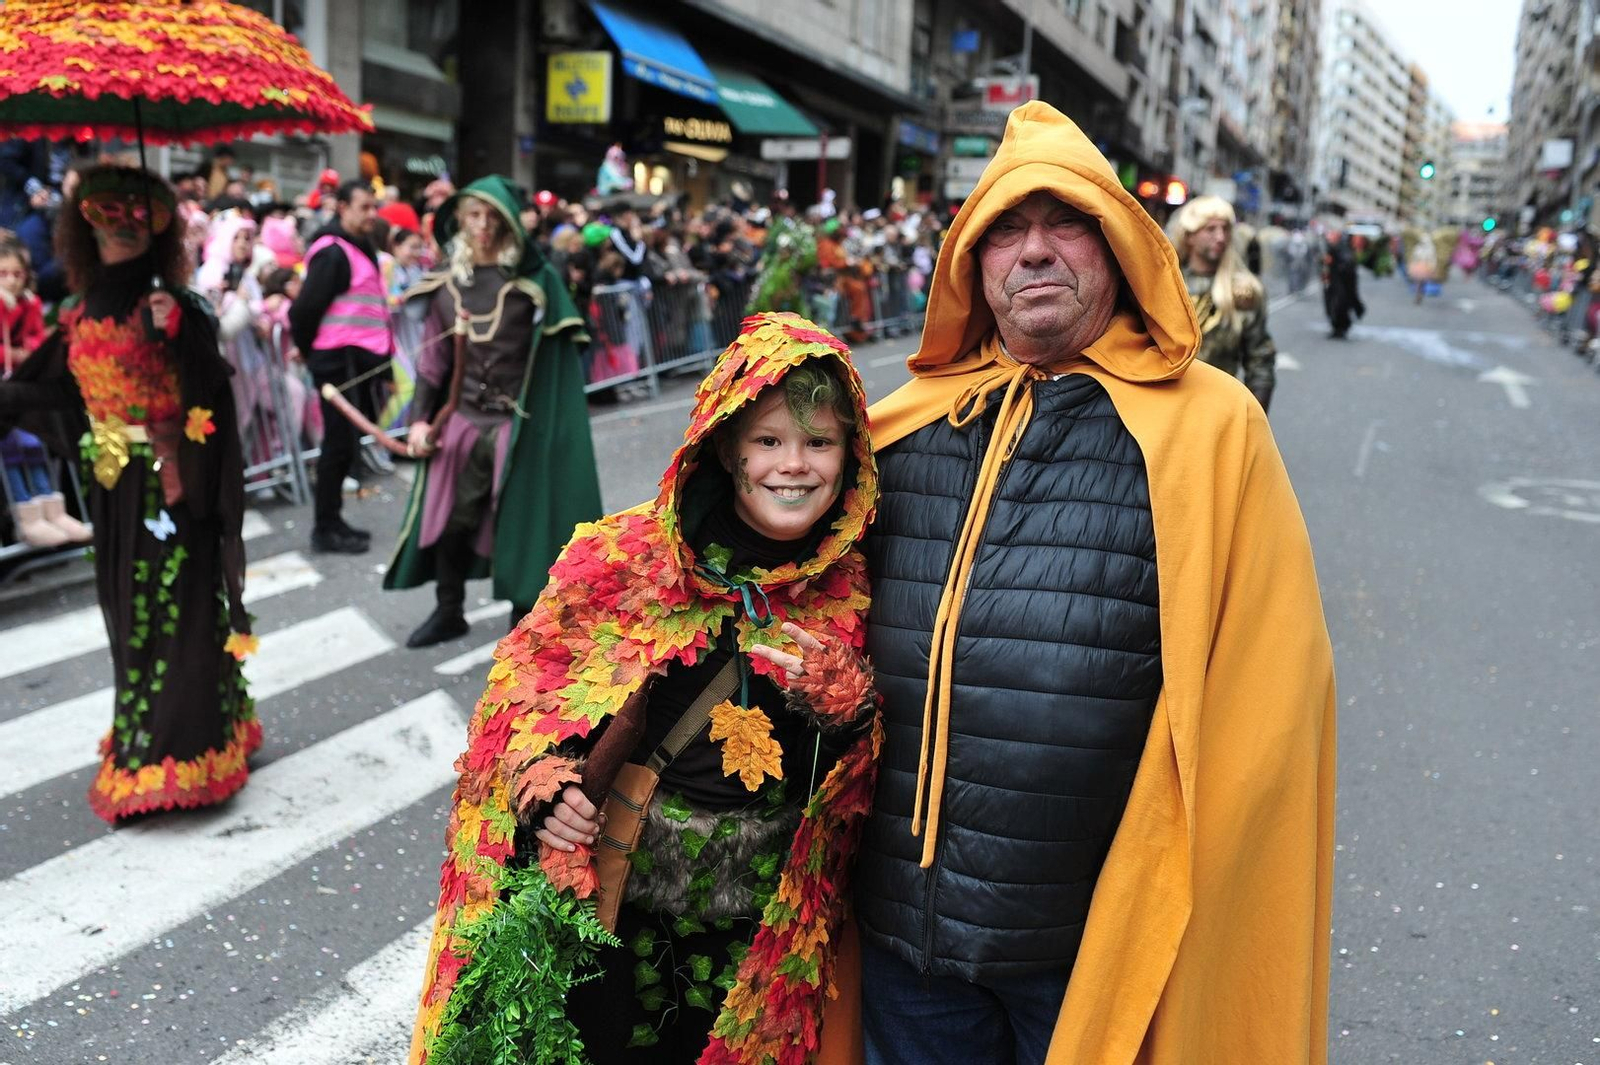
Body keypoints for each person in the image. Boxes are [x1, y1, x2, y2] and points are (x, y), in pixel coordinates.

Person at [852, 102, 1335, 1064]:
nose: (1033, 251)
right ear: (969, 263)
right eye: (1005, 229)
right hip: (906, 941)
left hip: (1092, 950)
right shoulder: (897, 427)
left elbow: (1270, 699)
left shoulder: (1211, 430)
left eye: (1064, 222)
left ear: (1117, 248)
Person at [407, 312, 880, 1065]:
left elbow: (871, 775)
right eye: (768, 441)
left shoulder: (858, 581)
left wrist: (851, 710)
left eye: (818, 442)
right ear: (724, 447)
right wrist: (546, 784)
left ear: (848, 455)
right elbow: (528, 705)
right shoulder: (621, 557)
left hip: (763, 932)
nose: (794, 465)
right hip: (623, 910)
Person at [0, 165, 258, 821]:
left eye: (140, 214)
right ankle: (156, 730)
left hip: (172, 487)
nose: (121, 225)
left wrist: (178, 334)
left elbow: (213, 390)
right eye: (106, 211)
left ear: (162, 226)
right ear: (82, 222)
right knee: (129, 612)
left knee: (179, 611)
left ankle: (185, 748)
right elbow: (61, 393)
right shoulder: (77, 310)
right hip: (115, 488)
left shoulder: (175, 305)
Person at [384, 176, 603, 644]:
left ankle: (522, 624)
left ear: (507, 220)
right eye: (472, 214)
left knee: (521, 523)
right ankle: (448, 610)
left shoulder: (534, 282)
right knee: (447, 520)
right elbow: (432, 362)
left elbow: (556, 361)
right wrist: (420, 418)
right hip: (461, 421)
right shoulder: (446, 284)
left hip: (516, 425)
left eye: (492, 215)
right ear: (458, 218)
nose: (482, 225)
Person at [289, 179, 392, 554]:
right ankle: (325, 528)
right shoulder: (333, 252)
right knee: (336, 447)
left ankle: (333, 522)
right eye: (363, 207)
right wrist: (311, 353)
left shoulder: (356, 247)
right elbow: (302, 311)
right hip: (337, 365)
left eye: (373, 208)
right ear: (342, 207)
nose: (371, 215)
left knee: (345, 446)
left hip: (354, 365)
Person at [1167, 195, 1277, 412]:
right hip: (1164, 406)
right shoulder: (1166, 284)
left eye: (1226, 229)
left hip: (1218, 410)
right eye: (1210, 229)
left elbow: (1260, 361)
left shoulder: (1244, 291)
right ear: (1189, 235)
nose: (1220, 237)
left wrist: (1252, 421)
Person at [1322, 227, 1364, 338]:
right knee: (1333, 305)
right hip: (1334, 282)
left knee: (1339, 305)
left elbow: (1346, 265)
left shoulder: (1343, 248)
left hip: (1341, 283)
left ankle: (1341, 328)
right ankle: (1337, 328)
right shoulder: (1335, 248)